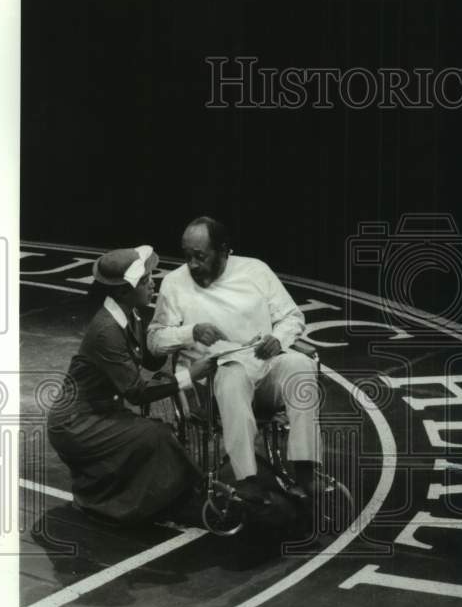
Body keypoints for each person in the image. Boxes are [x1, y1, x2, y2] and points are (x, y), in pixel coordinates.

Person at [147, 216, 322, 502]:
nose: (192, 264)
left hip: (263, 368)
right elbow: (154, 342)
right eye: (187, 256)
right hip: (214, 382)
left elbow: (292, 316)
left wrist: (278, 339)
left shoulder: (256, 270)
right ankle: (246, 477)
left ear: (224, 251)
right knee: (232, 374)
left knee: (301, 366)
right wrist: (191, 332)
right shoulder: (174, 283)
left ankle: (305, 471)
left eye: (200, 256)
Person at [48, 244, 211, 525]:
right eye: (146, 280)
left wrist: (184, 333)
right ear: (125, 290)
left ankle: (175, 498)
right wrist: (189, 376)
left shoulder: (128, 313)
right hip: (76, 423)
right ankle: (188, 498)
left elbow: (149, 361)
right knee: (155, 436)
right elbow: (136, 392)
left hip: (99, 413)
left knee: (154, 434)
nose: (154, 284)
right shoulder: (107, 330)